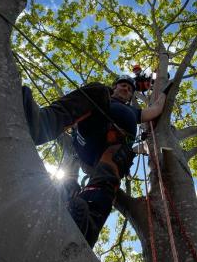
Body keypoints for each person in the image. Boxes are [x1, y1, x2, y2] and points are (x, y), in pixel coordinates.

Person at [22, 75, 171, 247]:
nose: (126, 90)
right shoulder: (105, 97)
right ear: (115, 87)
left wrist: (167, 88)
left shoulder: (135, 112)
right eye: (123, 86)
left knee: (118, 161)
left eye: (130, 90)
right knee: (98, 91)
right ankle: (41, 124)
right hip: (89, 137)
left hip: (112, 149)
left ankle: (88, 221)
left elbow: (157, 109)